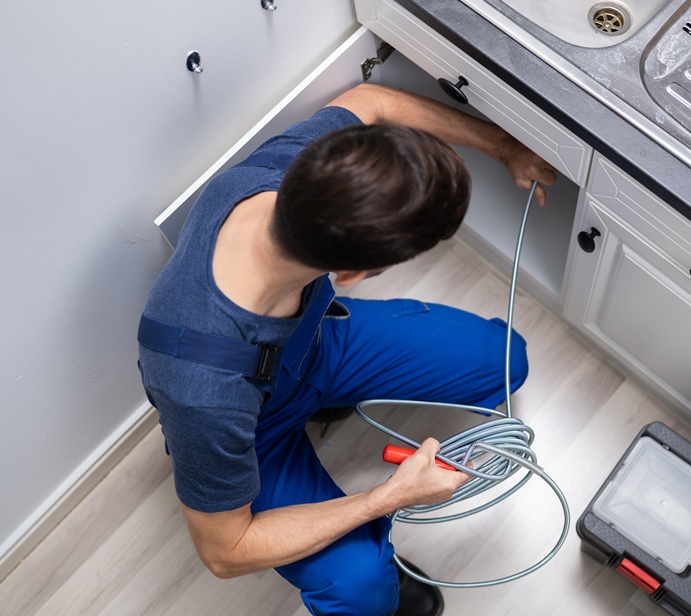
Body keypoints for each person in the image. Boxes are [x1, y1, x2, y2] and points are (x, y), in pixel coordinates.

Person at [136, 83, 558, 616]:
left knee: (503, 361)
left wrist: (504, 147)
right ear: (353, 274)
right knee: (362, 591)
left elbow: (374, 100)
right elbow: (226, 551)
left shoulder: (296, 169)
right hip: (253, 425)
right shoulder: (201, 392)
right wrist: (389, 497)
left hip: (317, 343)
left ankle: (325, 399)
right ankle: (374, 584)